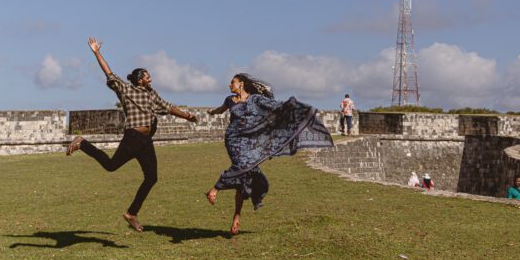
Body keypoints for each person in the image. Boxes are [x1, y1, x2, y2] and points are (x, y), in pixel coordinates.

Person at [66, 37, 199, 232]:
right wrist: (96, 53)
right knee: (111, 166)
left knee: (152, 178)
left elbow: (169, 108)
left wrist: (187, 116)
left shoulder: (152, 95)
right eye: (147, 76)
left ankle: (131, 213)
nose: (150, 78)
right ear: (139, 79)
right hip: (133, 138)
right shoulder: (126, 90)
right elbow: (109, 73)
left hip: (146, 141)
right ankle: (82, 143)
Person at [206, 73, 334, 235]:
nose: (229, 85)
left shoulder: (256, 99)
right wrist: (212, 112)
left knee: (245, 175)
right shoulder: (229, 100)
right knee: (242, 166)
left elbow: (276, 106)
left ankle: (236, 216)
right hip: (233, 138)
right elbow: (220, 109)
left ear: (241, 84)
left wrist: (296, 107)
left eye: (233, 82)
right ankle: (215, 189)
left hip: (250, 140)